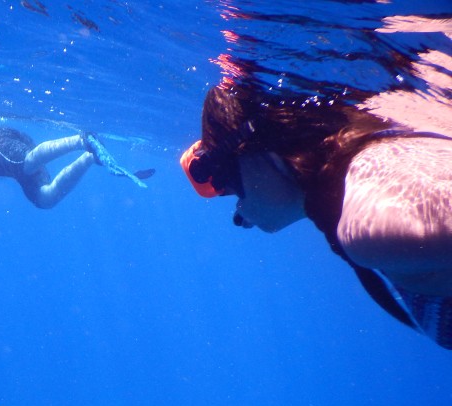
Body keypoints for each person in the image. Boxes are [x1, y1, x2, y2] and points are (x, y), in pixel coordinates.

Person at [180, 78, 452, 349]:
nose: (240, 212)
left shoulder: (373, 219)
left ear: (256, 146)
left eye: (232, 185)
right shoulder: (371, 176)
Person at [0, 116, 153, 209]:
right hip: (5, 161)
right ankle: (90, 157)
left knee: (26, 162)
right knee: (44, 199)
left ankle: (82, 140)